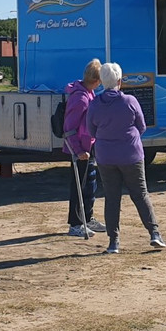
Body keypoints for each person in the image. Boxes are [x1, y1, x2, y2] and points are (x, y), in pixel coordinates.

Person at [86, 62, 165, 253]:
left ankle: (114, 242)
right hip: (131, 155)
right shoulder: (130, 101)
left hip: (106, 157)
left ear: (102, 81)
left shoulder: (95, 104)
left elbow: (91, 130)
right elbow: (142, 126)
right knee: (140, 194)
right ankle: (154, 233)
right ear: (120, 81)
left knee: (112, 198)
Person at [62, 58, 105, 237]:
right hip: (79, 151)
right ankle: (75, 224)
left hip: (89, 147)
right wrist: (78, 150)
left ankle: (88, 218)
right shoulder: (80, 98)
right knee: (79, 186)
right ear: (96, 80)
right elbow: (69, 128)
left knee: (90, 184)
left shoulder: (88, 93)